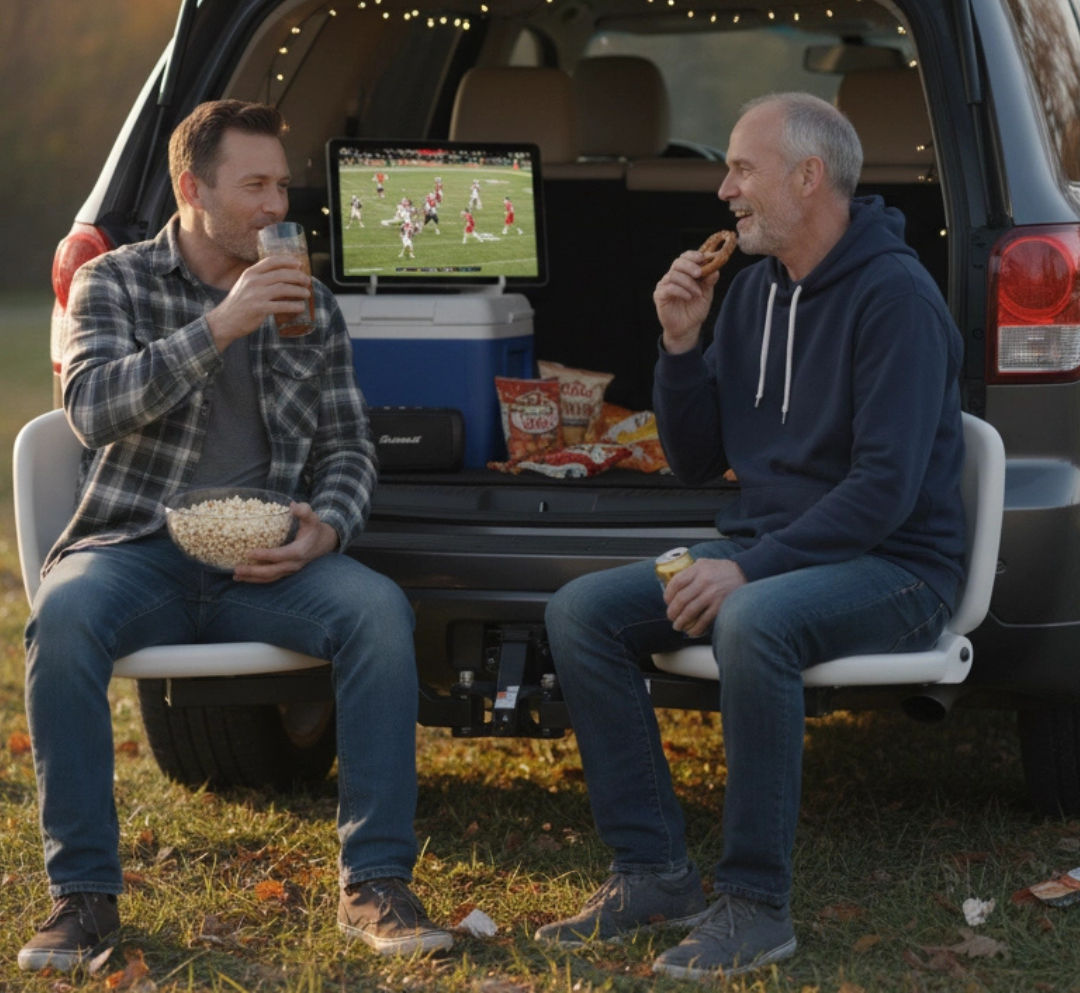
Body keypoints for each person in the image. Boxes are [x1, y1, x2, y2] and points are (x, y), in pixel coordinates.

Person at [537, 92, 965, 979]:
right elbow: (695, 461)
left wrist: (751, 571)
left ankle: (756, 906)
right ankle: (654, 874)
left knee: (753, 620)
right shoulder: (755, 293)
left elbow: (883, 492)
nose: (724, 188)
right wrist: (682, 343)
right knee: (582, 612)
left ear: (809, 178)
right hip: (777, 553)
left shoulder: (897, 298)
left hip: (897, 565)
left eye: (742, 168)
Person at [18, 100, 452, 972]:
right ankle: (84, 899)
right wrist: (220, 325)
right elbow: (93, 409)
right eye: (253, 185)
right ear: (192, 189)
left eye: (281, 184)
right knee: (62, 623)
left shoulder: (308, 299)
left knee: (377, 614)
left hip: (269, 559)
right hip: (137, 546)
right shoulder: (119, 283)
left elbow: (348, 445)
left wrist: (325, 529)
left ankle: (374, 883)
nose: (274, 205)